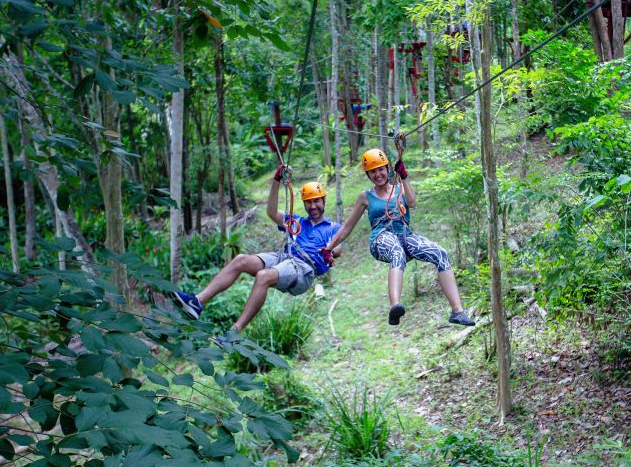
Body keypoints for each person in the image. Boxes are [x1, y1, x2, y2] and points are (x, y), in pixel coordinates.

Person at [172, 166, 342, 347]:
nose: (313, 206)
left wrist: (329, 250)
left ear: (324, 201)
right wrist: (276, 181)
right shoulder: (297, 221)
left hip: (304, 269)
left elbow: (338, 249)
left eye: (317, 201)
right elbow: (271, 212)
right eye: (309, 202)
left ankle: (234, 333)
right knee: (240, 260)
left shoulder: (332, 228)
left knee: (263, 276)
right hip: (285, 257)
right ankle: (197, 301)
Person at [321, 148, 475, 327]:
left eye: (381, 169)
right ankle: (395, 307)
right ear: (368, 175)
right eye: (373, 171)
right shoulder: (365, 196)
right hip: (381, 238)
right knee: (396, 252)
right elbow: (347, 227)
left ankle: (457, 311)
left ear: (387, 169)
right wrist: (329, 247)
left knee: (440, 253)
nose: (378, 174)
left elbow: (412, 203)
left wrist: (405, 177)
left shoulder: (400, 188)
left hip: (405, 235)